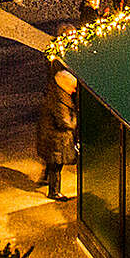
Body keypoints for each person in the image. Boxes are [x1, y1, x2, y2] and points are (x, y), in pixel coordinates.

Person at [36, 62, 79, 200]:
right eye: (72, 88)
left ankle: (45, 178)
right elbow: (64, 122)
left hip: (49, 136)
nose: (73, 91)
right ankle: (54, 192)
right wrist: (75, 120)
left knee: (52, 162)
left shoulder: (54, 93)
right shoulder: (60, 100)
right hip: (56, 139)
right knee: (56, 166)